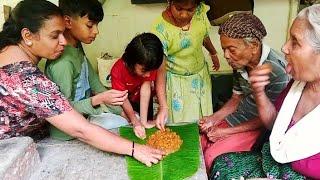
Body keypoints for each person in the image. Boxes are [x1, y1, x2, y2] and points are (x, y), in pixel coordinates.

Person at [0, 0, 164, 167]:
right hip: (11, 158)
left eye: (63, 34)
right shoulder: (27, 78)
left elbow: (94, 85)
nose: (63, 41)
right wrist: (135, 149)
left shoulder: (10, 56)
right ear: (27, 36)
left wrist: (130, 117)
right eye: (55, 35)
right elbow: (81, 129)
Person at [211, 5, 320, 179]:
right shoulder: (296, 85)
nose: (284, 47)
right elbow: (274, 125)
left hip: (295, 173)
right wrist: (259, 92)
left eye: (295, 41)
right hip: (273, 160)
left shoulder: (276, 70)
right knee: (220, 163)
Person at [199, 13, 290, 171]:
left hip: (259, 129)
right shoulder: (240, 62)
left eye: (231, 49)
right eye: (224, 49)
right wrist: (212, 119)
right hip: (237, 119)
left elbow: (269, 120)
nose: (226, 56)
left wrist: (225, 132)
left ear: (253, 46)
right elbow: (236, 99)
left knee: (212, 157)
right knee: (200, 143)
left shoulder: (278, 71)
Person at [45, 0, 128, 140]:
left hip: (84, 119)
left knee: (125, 121)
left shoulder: (77, 48)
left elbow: (96, 85)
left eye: (97, 25)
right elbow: (62, 111)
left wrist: (124, 113)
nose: (96, 31)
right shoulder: (63, 63)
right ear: (68, 22)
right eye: (90, 25)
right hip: (66, 133)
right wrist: (97, 100)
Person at [151, 0, 220, 123]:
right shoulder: (159, 30)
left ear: (197, 6)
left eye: (190, 10)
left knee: (204, 121)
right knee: (182, 125)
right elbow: (160, 74)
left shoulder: (200, 12)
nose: (184, 15)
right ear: (170, 2)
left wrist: (213, 53)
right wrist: (163, 106)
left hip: (200, 77)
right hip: (177, 84)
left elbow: (203, 34)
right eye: (179, 9)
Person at [110, 33, 165, 139]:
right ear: (132, 61)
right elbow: (123, 99)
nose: (149, 75)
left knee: (145, 127)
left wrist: (143, 122)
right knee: (132, 127)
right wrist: (135, 121)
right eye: (144, 71)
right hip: (126, 102)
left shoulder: (148, 64)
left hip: (144, 100)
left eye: (151, 71)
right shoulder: (117, 71)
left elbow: (146, 88)